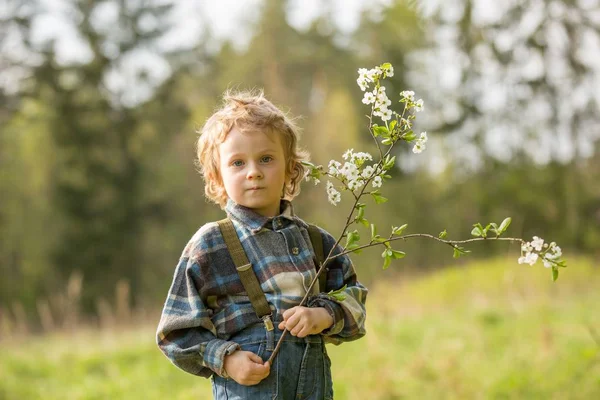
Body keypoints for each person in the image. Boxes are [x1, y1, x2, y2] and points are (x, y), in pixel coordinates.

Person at [156, 90, 368, 399]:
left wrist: (324, 315)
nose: (253, 171)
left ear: (290, 168)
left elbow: (356, 302)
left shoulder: (316, 241)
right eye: (238, 163)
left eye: (266, 159)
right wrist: (226, 360)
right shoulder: (211, 244)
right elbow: (175, 332)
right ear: (217, 178)